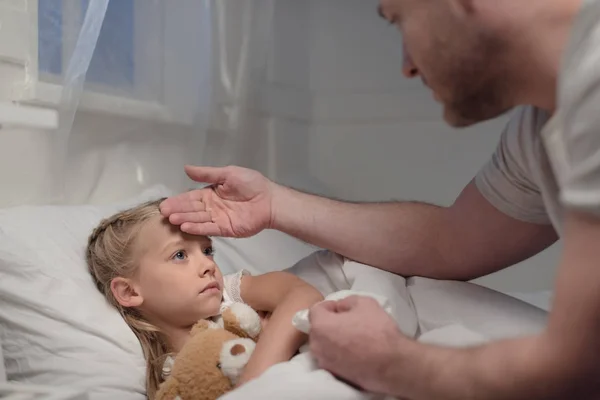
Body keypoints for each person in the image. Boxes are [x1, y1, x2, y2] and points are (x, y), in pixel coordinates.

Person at [159, 0, 600, 398]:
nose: (406, 66)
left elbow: (576, 370)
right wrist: (275, 204)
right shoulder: (541, 128)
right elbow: (449, 242)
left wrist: (389, 363)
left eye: (398, 19)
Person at [86, 198, 323, 399]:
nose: (208, 264)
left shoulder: (230, 294)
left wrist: (254, 379)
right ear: (130, 292)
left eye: (207, 250)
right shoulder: (171, 377)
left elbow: (303, 294)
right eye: (180, 255)